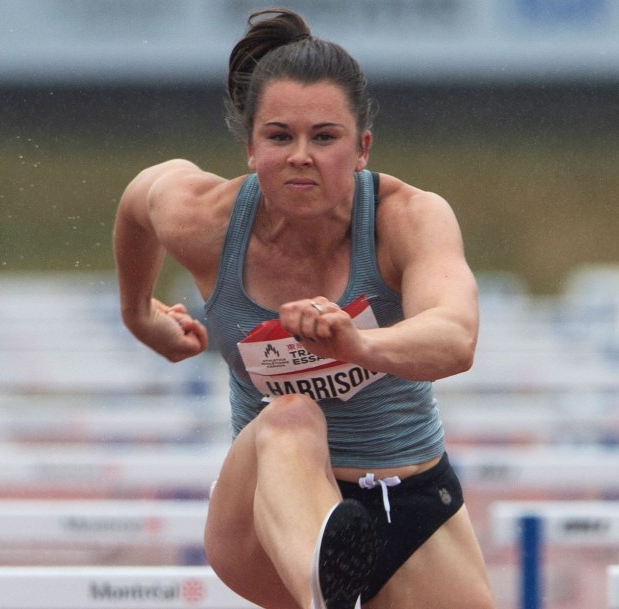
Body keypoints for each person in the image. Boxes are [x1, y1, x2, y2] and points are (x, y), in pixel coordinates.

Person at [113, 8, 495, 609]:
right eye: (279, 136)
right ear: (250, 148)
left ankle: (334, 586)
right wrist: (139, 315)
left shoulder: (408, 219)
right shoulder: (207, 220)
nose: (300, 156)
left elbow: (456, 336)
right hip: (264, 519)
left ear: (362, 147)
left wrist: (359, 344)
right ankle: (326, 585)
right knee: (292, 416)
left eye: (324, 137)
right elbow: (139, 202)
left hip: (409, 500)